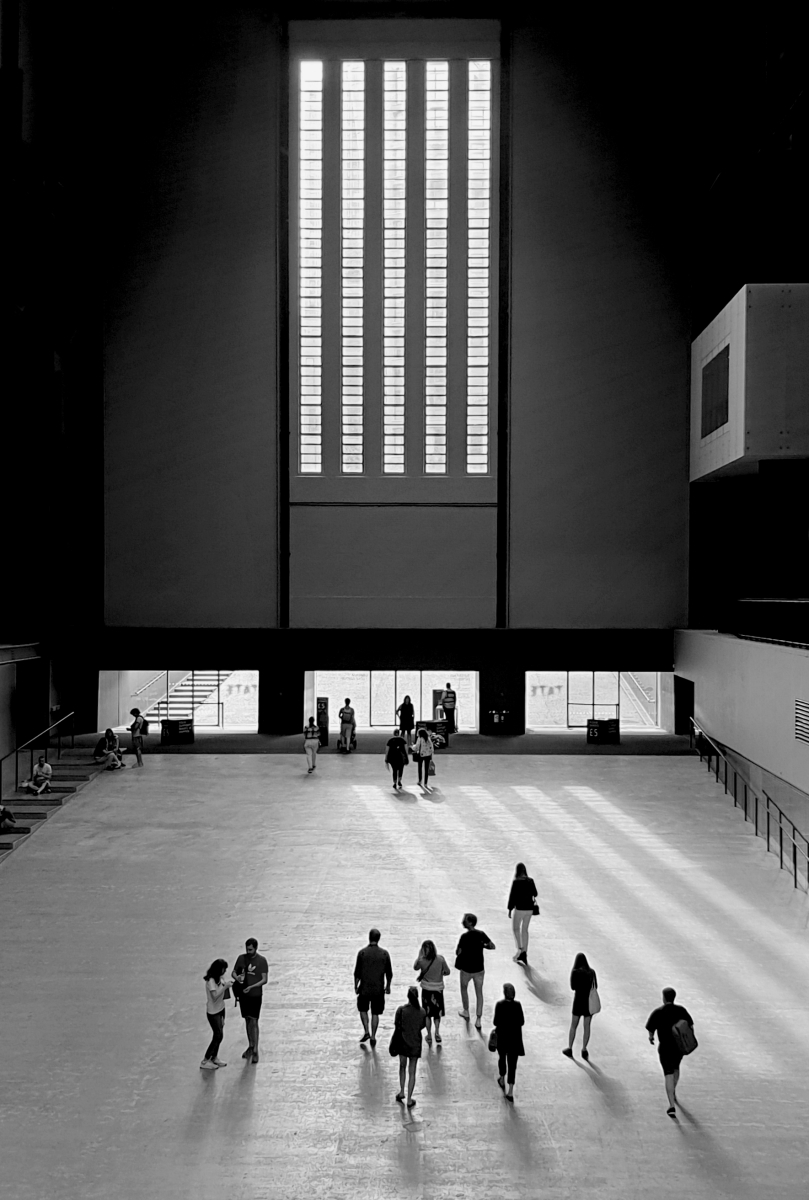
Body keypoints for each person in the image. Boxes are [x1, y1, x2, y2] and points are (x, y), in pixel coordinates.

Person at [645, 986, 695, 1117]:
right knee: (676, 1068)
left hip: (665, 1047)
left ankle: (671, 1105)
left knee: (668, 1073)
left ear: (663, 998)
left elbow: (651, 1028)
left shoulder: (658, 1012)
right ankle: (674, 1090)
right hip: (679, 1047)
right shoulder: (681, 1010)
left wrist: (651, 1037)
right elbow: (690, 1025)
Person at [354, 927, 393, 1048]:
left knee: (363, 1009)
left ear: (369, 937)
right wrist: (388, 986)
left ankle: (366, 1031)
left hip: (364, 988)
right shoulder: (384, 954)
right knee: (375, 1013)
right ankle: (373, 1036)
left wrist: (356, 986)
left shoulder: (362, 953)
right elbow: (389, 973)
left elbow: (357, 973)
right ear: (379, 939)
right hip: (378, 989)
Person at [455, 912, 495, 1029]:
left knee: (464, 988)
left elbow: (458, 952)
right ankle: (478, 1019)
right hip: (479, 969)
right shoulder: (481, 934)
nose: (463, 922)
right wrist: (482, 946)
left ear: (470, 922)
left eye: (465, 920)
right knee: (479, 993)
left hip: (466, 969)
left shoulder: (464, 937)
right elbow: (492, 946)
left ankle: (466, 1011)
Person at [232, 937, 269, 1064]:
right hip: (244, 996)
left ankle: (255, 1050)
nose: (248, 951)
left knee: (254, 1021)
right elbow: (233, 972)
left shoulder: (262, 961)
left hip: (255, 996)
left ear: (256, 948)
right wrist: (238, 978)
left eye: (251, 949)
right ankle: (250, 1045)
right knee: (247, 1020)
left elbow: (264, 979)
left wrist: (252, 987)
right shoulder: (241, 958)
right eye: (247, 949)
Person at [413, 939, 450, 1045]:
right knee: (437, 1014)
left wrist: (419, 956)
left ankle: (429, 1034)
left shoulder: (421, 961)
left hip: (426, 990)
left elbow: (415, 968)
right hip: (438, 990)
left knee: (427, 1014)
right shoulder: (440, 959)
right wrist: (440, 973)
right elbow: (447, 972)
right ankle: (437, 1033)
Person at [394, 986, 427, 1108]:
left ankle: (402, 1091)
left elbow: (396, 1024)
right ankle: (409, 1099)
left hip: (402, 1042)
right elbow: (422, 1025)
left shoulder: (401, 1010)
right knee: (412, 1071)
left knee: (402, 1066)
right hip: (415, 1044)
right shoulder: (422, 1012)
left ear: (408, 996)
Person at [493, 982, 525, 1101]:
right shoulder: (518, 1005)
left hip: (503, 1037)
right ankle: (510, 1090)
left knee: (502, 1058)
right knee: (513, 1065)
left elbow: (495, 1022)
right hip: (515, 1039)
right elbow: (522, 1021)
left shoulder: (499, 1005)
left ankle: (502, 1077)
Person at [563, 952, 597, 1060]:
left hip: (578, 1001)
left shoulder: (575, 972)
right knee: (587, 1026)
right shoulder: (591, 972)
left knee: (573, 1026)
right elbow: (595, 986)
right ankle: (584, 1049)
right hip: (588, 1002)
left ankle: (570, 1048)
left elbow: (573, 987)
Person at [200, 958, 230, 1070]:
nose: (225, 971)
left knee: (220, 1034)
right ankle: (205, 1060)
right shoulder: (211, 981)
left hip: (221, 1008)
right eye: (224, 969)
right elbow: (214, 996)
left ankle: (214, 1057)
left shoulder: (219, 979)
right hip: (213, 1012)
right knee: (217, 1035)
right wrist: (225, 987)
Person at [507, 861, 538, 965]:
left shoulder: (516, 882)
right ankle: (525, 951)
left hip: (520, 908)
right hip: (529, 909)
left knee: (516, 928)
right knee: (525, 930)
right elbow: (535, 893)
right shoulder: (530, 881)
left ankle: (520, 949)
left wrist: (510, 909)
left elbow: (512, 896)